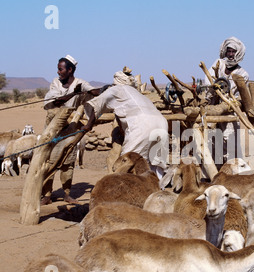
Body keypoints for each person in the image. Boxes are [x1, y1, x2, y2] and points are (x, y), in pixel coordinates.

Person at [82, 68, 169, 179]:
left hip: (143, 125)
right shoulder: (135, 93)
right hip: (161, 123)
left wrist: (89, 125)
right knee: (155, 162)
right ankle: (157, 190)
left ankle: (128, 192)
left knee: (128, 162)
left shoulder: (116, 89)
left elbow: (96, 104)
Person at [41, 55, 98, 205]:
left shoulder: (81, 83)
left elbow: (94, 96)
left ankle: (66, 193)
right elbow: (57, 101)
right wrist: (75, 93)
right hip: (52, 126)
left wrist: (103, 90)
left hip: (70, 127)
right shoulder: (55, 83)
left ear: (70, 70)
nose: (58, 72)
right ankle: (47, 195)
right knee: (48, 160)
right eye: (58, 69)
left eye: (60, 69)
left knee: (68, 160)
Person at [204, 37, 249, 165]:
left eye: (233, 52)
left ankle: (234, 176)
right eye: (228, 51)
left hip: (229, 113)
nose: (230, 54)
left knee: (230, 145)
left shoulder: (243, 74)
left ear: (238, 53)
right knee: (211, 143)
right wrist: (213, 90)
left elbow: (241, 96)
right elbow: (208, 85)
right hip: (212, 110)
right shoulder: (218, 64)